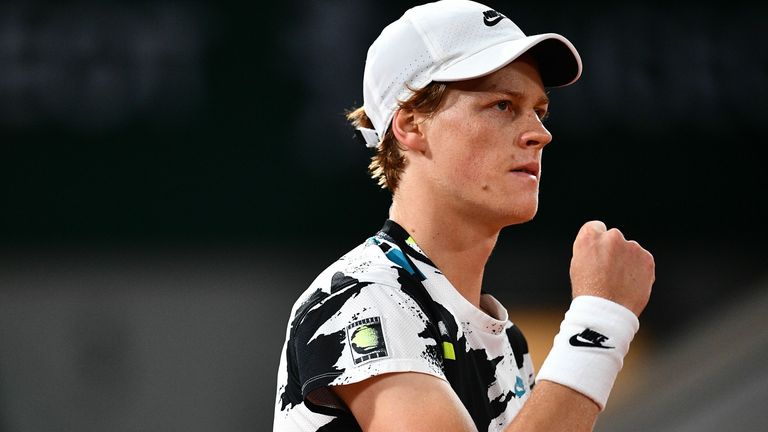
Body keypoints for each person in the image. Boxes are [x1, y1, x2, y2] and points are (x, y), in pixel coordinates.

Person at [273, 0, 655, 430]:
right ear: (412, 125)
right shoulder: (361, 297)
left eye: (539, 110)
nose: (540, 133)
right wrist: (599, 323)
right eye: (502, 105)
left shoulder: (509, 344)